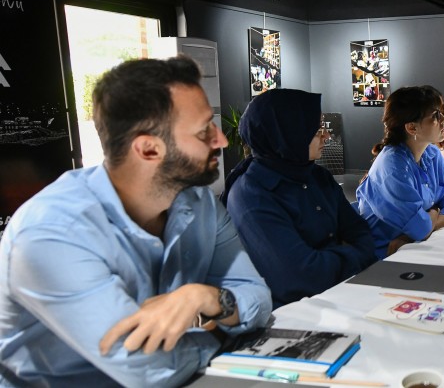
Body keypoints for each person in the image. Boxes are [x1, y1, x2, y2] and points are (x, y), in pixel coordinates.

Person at [0, 57, 272, 387]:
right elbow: (148, 371)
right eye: (204, 131)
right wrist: (219, 335)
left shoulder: (198, 201)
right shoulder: (51, 234)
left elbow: (258, 297)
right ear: (148, 149)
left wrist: (209, 299)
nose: (222, 140)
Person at [222, 89, 376, 309]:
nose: (327, 136)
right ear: (287, 134)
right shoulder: (251, 194)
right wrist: (350, 253)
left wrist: (325, 257)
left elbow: (363, 236)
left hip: (344, 295)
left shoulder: (318, 176)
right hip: (292, 314)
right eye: (317, 130)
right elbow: (300, 278)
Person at [356, 86, 444, 259]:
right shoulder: (392, 167)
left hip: (411, 245)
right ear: (412, 128)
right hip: (383, 256)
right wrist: (435, 211)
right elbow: (421, 229)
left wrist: (414, 232)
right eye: (436, 115)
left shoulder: (432, 153)